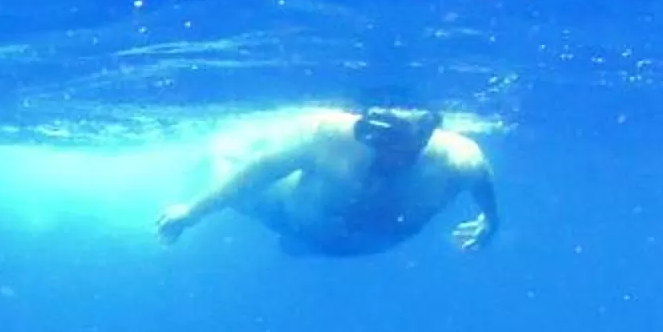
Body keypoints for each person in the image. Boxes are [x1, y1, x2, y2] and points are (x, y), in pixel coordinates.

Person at [155, 106, 500, 256]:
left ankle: (303, 249)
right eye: (380, 143)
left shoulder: (459, 158)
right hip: (288, 217)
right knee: (227, 163)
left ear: (425, 137)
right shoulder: (330, 135)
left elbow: (483, 182)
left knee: (295, 247)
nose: (385, 155)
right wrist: (191, 212)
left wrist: (490, 222)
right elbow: (259, 172)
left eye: (400, 145)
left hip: (350, 242)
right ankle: (216, 151)